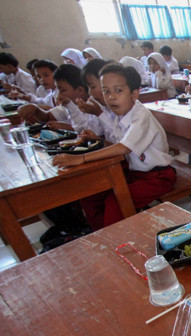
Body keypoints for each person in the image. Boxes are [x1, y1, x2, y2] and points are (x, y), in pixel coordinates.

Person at [52, 63, 176, 230]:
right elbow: (118, 144)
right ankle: (100, 233)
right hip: (135, 173)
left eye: (118, 91)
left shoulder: (141, 116)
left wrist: (81, 158)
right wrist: (98, 139)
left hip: (158, 176)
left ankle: (115, 241)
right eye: (106, 91)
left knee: (116, 201)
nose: (111, 97)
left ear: (134, 93)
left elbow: (124, 147)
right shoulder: (121, 115)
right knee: (92, 194)